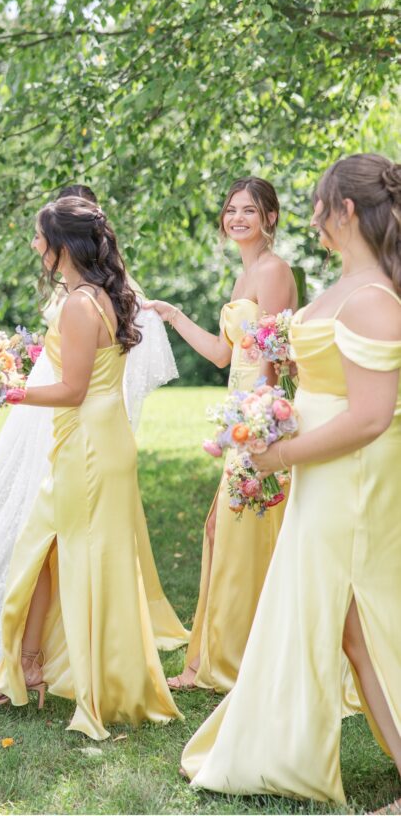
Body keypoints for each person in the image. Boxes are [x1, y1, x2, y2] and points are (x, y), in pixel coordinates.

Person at [181, 154, 401, 806]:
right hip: (322, 479)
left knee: (366, 622)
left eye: (319, 204)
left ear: (348, 211)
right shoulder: (343, 288)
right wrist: (266, 420)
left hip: (352, 483)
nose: (310, 216)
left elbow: (368, 417)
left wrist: (285, 453)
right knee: (348, 627)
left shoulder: (370, 301)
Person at [0, 197, 182, 740]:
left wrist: (5, 392)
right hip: (96, 437)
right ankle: (28, 665)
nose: (35, 246)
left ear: (63, 244)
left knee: (66, 555)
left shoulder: (80, 304)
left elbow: (73, 388)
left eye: (40, 237)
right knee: (50, 550)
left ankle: (84, 683)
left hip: (89, 440)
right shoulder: (101, 295)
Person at [146, 178, 298, 691]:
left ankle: (232, 660)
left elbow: (275, 358)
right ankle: (213, 658)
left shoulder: (273, 271)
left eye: (249, 211)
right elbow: (222, 353)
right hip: (241, 417)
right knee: (225, 533)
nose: (237, 218)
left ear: (270, 218)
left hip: (260, 421)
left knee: (239, 533)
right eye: (231, 210)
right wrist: (172, 315)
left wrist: (262, 430)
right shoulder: (245, 275)